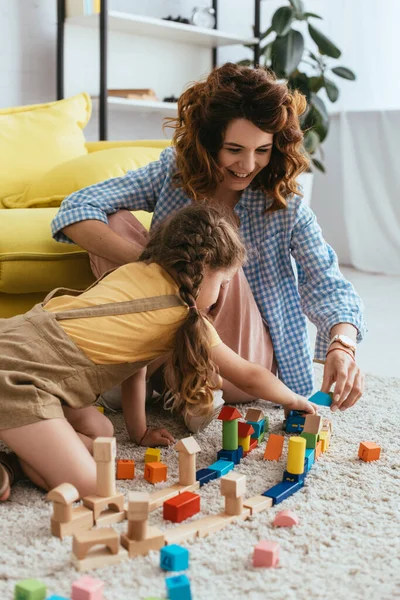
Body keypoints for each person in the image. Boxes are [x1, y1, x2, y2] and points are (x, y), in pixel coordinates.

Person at [51, 62, 366, 424]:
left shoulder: (284, 203)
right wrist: (157, 264)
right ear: (208, 140)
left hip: (240, 359)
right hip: (172, 332)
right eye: (234, 149)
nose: (248, 165)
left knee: (219, 253)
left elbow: (327, 281)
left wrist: (342, 345)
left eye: (262, 150)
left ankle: (188, 380)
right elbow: (76, 208)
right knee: (115, 222)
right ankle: (162, 372)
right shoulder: (173, 174)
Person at [0, 205, 317, 502]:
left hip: (21, 343)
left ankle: (21, 450)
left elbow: (133, 369)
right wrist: (295, 400)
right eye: (224, 282)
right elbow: (248, 374)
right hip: (19, 379)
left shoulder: (134, 271)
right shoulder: (184, 315)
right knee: (95, 486)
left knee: (101, 432)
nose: (221, 295)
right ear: (203, 268)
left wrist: (138, 431)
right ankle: (14, 460)